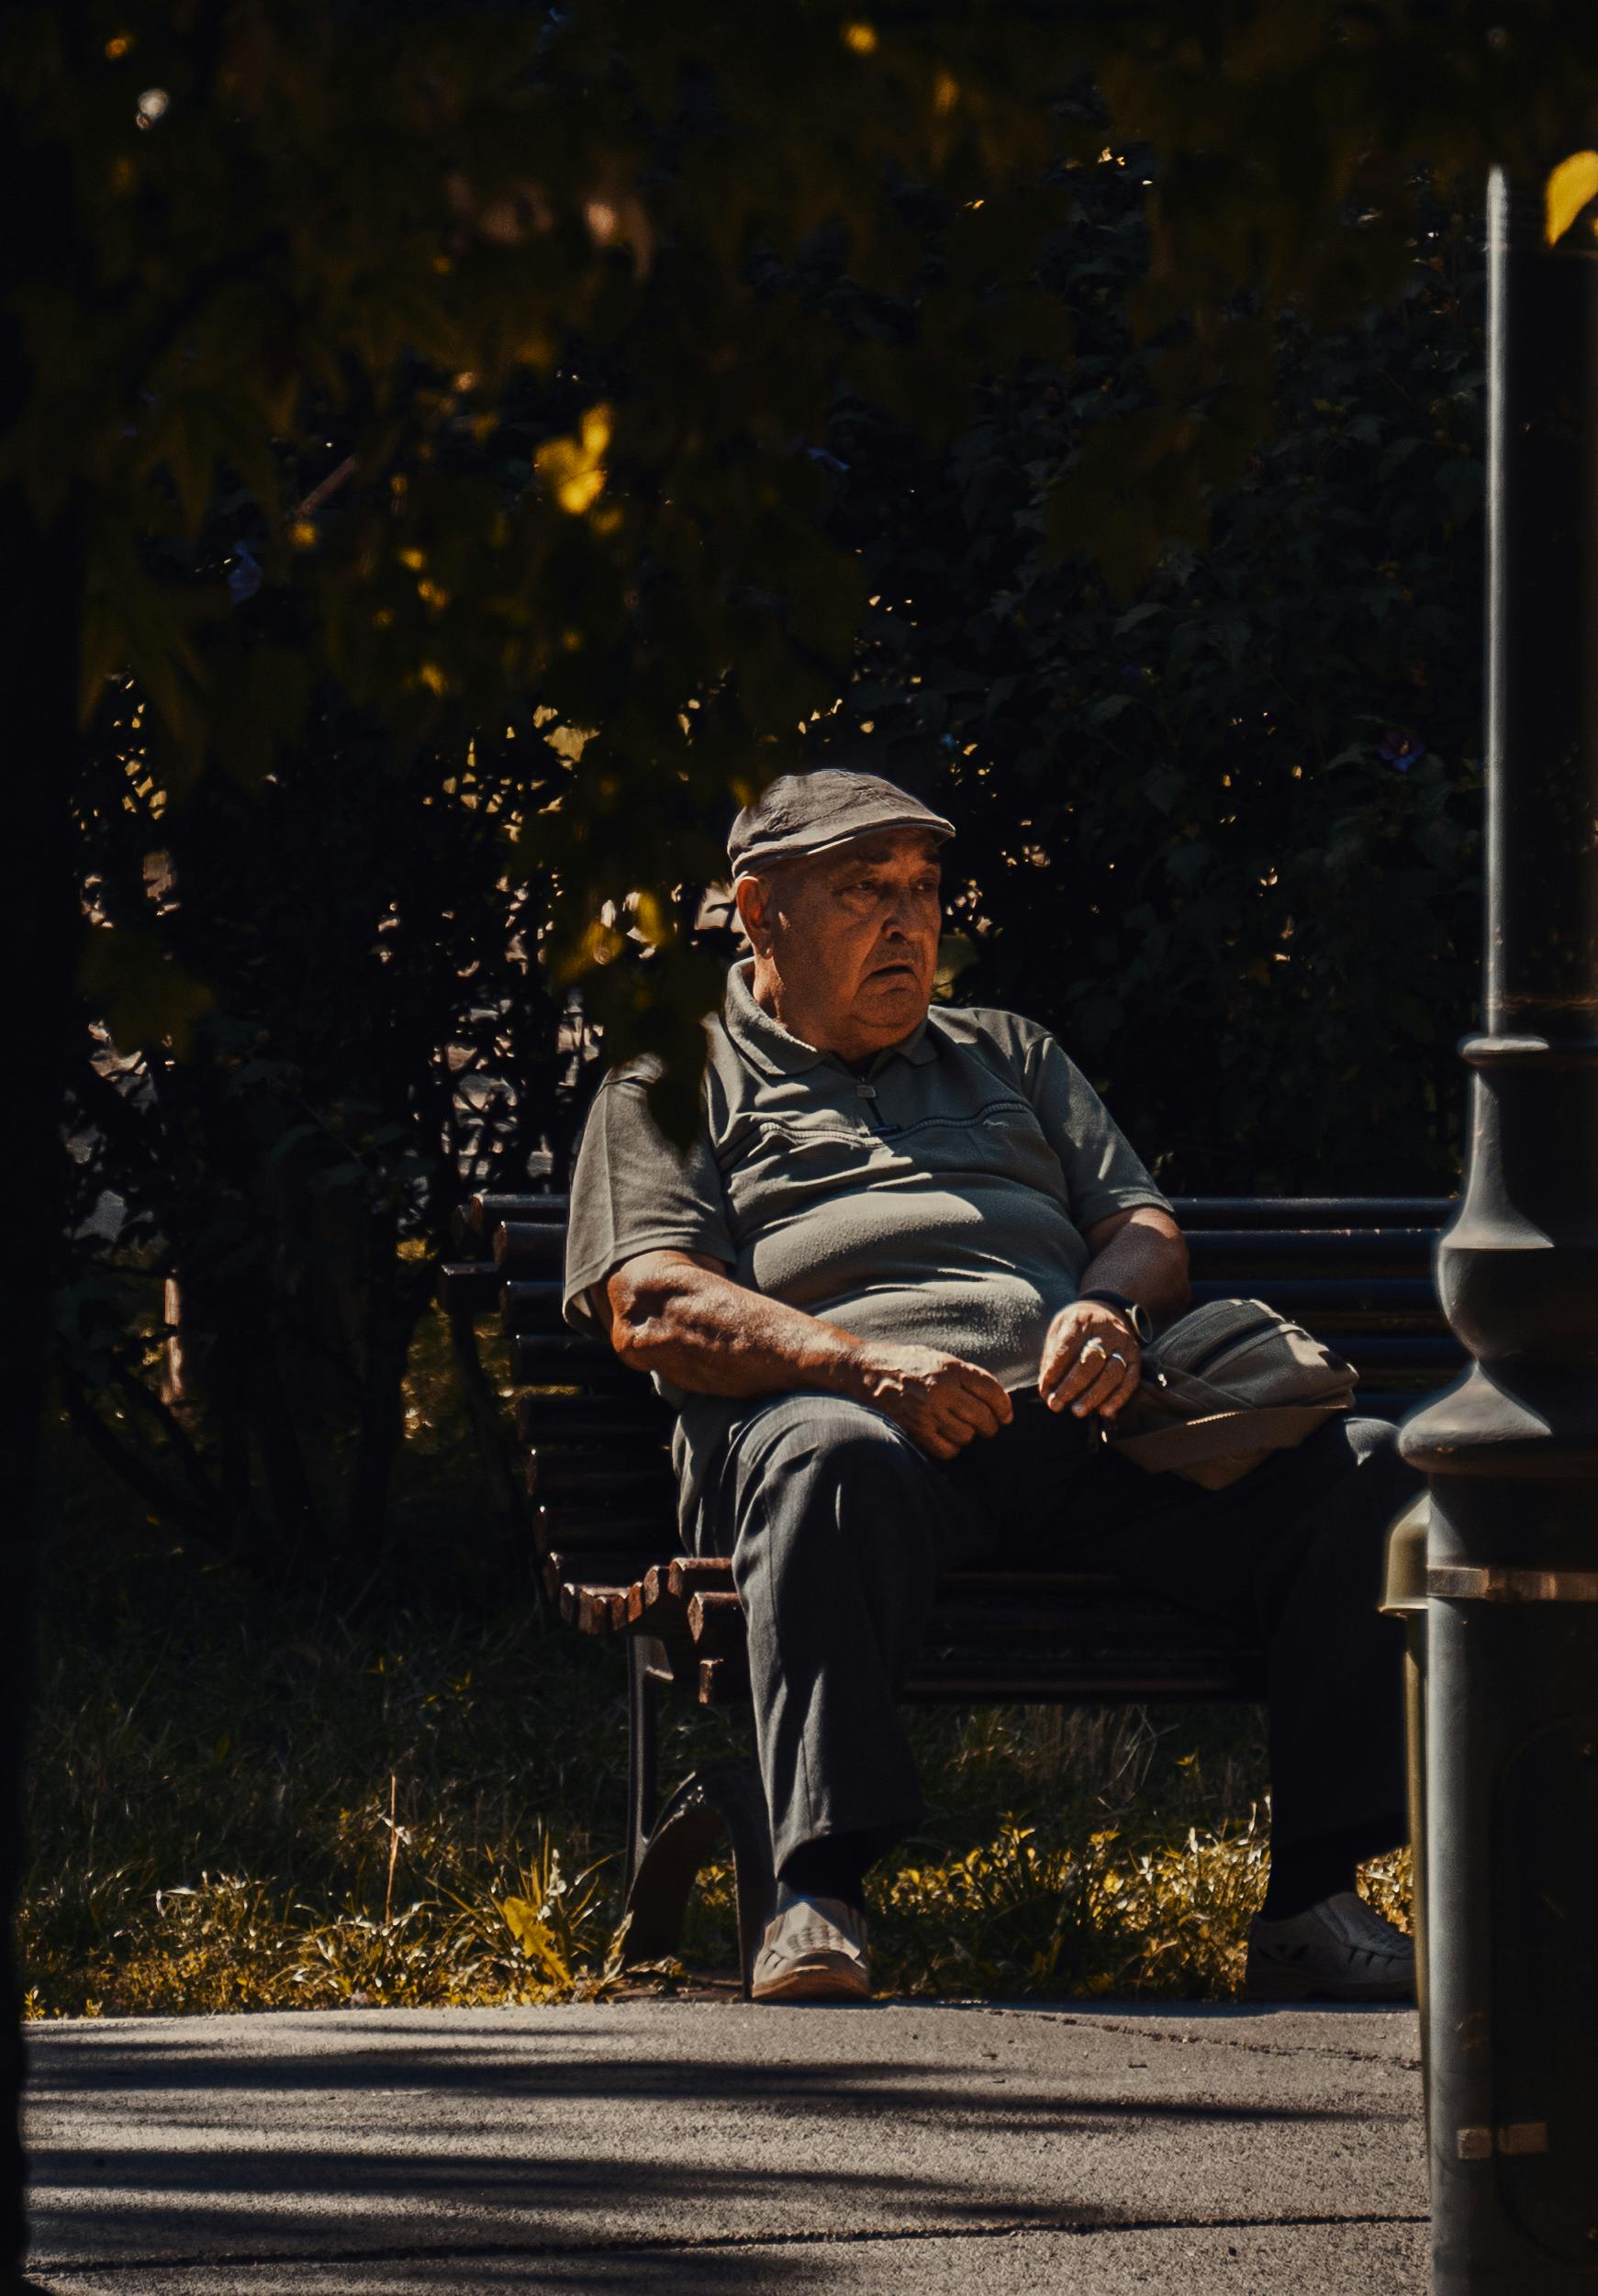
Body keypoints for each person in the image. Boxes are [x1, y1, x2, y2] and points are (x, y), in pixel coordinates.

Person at [563, 766, 1418, 2004]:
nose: (910, 922)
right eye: (866, 892)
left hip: (1078, 1437)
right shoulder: (668, 1077)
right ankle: (818, 1894)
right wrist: (860, 1363)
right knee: (826, 1454)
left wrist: (1106, 1306)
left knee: (1370, 1470)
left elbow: (1140, 1224)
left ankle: (1312, 1901)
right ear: (759, 913)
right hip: (854, 1436)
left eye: (924, 889)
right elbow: (651, 1301)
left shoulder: (1006, 1049)